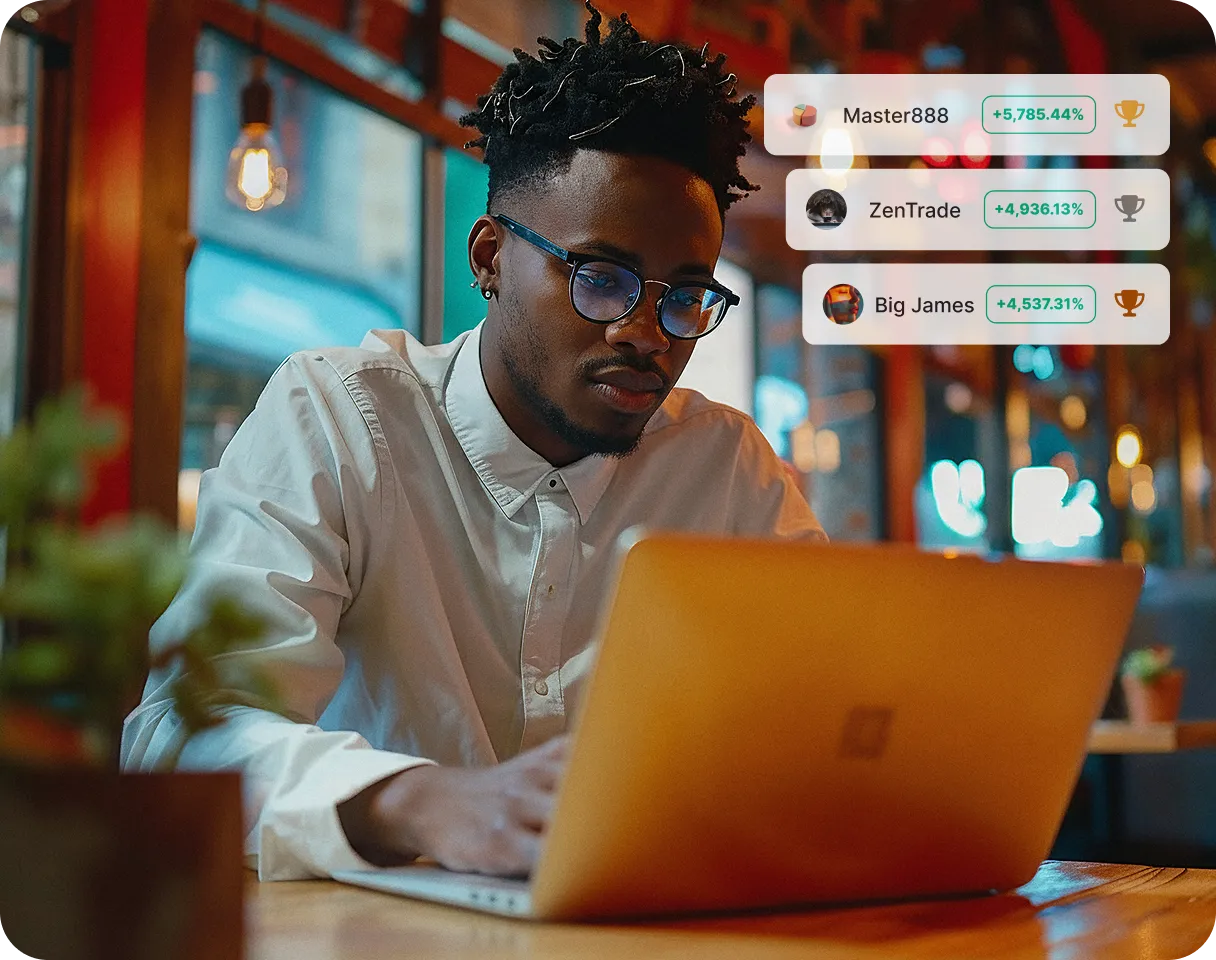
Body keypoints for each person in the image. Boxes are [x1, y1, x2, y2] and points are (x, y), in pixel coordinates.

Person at [121, 2, 826, 882]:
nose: (650, 332)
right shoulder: (337, 417)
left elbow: (825, 725)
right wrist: (423, 802)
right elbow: (184, 737)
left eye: (685, 296)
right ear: (490, 257)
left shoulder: (729, 471)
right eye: (601, 279)